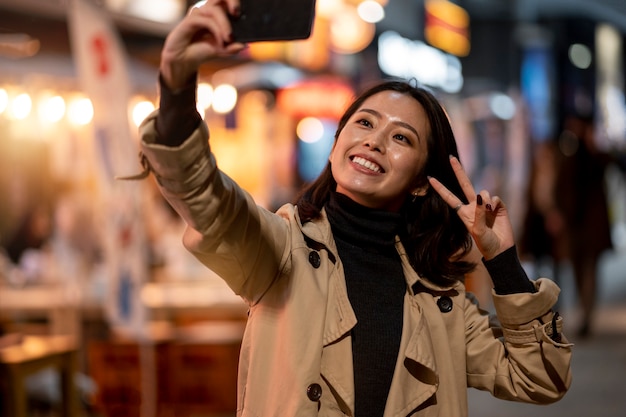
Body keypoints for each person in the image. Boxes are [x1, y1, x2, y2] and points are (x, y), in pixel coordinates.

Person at [136, 1, 572, 415]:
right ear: (335, 146)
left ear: (422, 181)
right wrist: (176, 89)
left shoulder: (443, 304)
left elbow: (540, 378)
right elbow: (208, 201)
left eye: (402, 137)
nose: (375, 141)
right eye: (364, 122)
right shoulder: (283, 250)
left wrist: (502, 261)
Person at [554, 115, 614, 338]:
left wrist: (594, 145)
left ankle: (587, 315)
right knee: (578, 270)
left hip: (592, 227)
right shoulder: (566, 155)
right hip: (573, 226)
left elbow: (611, 163)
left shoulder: (594, 156)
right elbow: (560, 187)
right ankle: (584, 309)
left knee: (589, 270)